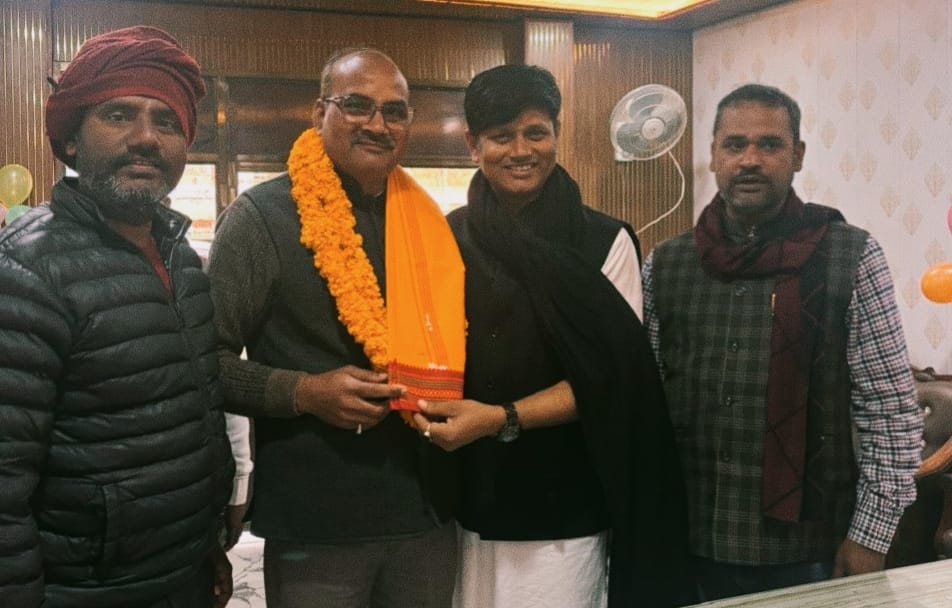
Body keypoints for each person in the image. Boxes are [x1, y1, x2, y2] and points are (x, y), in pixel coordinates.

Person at [413, 64, 693, 608]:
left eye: (536, 132)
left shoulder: (605, 242)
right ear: (472, 144)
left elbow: (612, 381)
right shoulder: (447, 237)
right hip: (466, 491)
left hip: (564, 501)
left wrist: (500, 417)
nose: (521, 151)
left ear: (557, 133)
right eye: (501, 136)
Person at [641, 83, 924, 601]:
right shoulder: (666, 263)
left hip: (810, 548)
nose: (750, 159)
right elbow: (646, 400)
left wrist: (871, 536)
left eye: (770, 144)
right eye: (735, 144)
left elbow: (890, 411)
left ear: (798, 156)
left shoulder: (851, 255)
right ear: (713, 155)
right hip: (686, 537)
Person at [206, 48, 466, 608]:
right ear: (318, 110)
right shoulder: (260, 218)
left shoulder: (429, 223)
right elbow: (203, 362)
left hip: (426, 514)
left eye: (394, 111)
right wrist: (303, 392)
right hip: (317, 521)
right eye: (356, 105)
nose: (377, 124)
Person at [0, 25, 235, 608]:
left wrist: (207, 546)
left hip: (183, 572)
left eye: (167, 122)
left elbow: (197, 415)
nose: (146, 138)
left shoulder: (182, 258)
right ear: (71, 139)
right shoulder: (28, 270)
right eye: (118, 115)